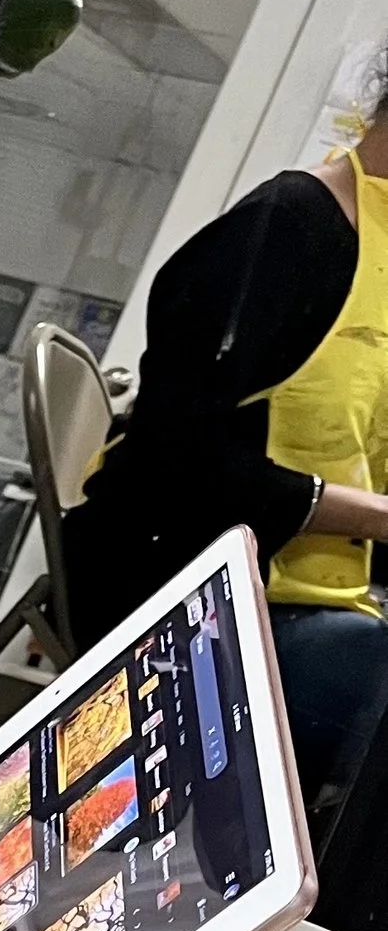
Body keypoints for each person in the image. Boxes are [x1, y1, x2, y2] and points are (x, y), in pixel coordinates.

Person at [65, 67, 388, 829]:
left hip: (304, 602)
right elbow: (167, 462)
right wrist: (369, 516)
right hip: (181, 590)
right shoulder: (290, 227)